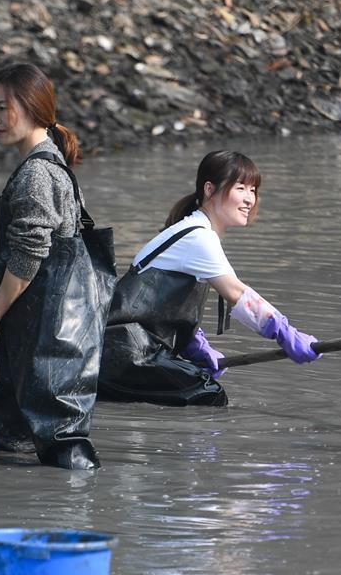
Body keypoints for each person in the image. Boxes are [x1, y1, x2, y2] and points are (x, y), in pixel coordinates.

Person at [0, 62, 103, 469]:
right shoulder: (53, 163)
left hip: (46, 343)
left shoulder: (36, 174)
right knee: (17, 447)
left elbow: (29, 256)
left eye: (2, 108)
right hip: (50, 339)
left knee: (61, 451)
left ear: (31, 108)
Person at [98, 150, 321, 406]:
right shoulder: (199, 237)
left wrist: (194, 344)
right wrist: (285, 333)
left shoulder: (193, 231)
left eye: (253, 190)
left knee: (200, 389)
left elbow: (165, 305)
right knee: (209, 395)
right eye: (240, 188)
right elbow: (237, 293)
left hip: (125, 350)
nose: (250, 199)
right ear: (209, 189)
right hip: (125, 353)